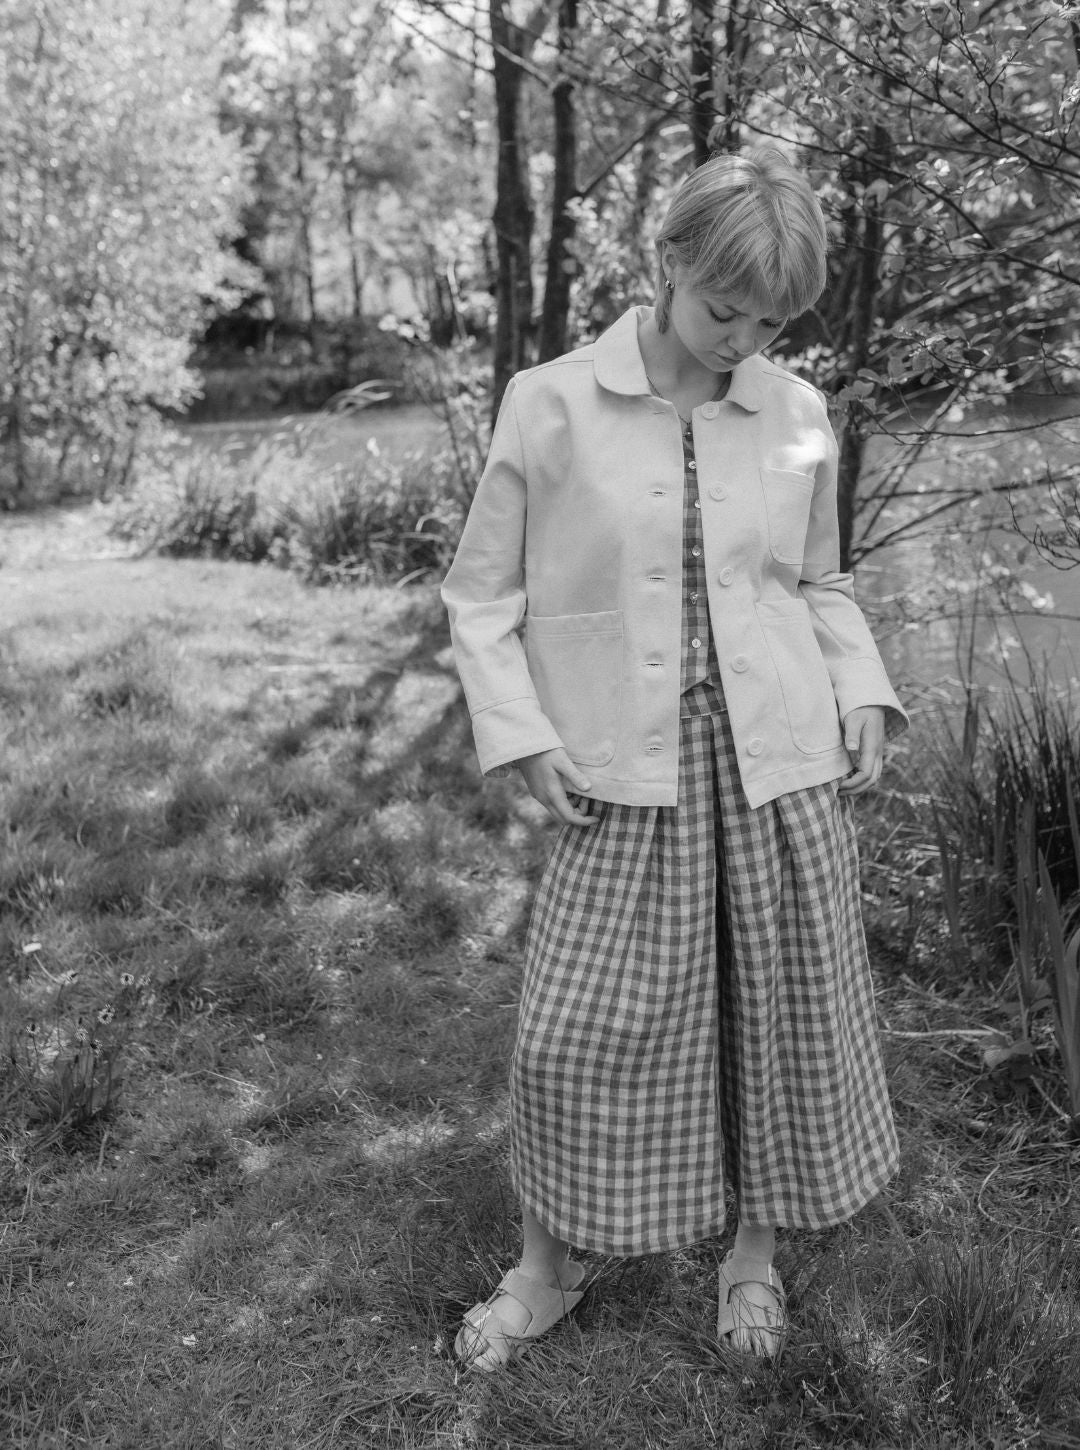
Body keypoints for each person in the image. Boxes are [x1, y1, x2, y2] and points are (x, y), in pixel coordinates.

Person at [440, 144, 907, 1370]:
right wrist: (521, 732)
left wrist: (862, 689)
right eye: (722, 308)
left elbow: (817, 581)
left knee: (775, 1019)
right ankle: (550, 1263)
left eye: (770, 323)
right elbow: (480, 597)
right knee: (572, 1033)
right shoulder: (550, 403)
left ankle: (752, 1252)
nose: (742, 339)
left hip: (775, 770)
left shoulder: (795, 413)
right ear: (668, 260)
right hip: (620, 768)